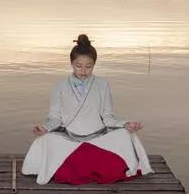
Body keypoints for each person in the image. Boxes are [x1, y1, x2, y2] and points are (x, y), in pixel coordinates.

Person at [21, 34, 154, 184]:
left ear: (94, 64)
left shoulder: (102, 84)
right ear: (71, 63)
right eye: (78, 66)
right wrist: (45, 127)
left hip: (99, 138)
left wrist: (126, 124)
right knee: (45, 139)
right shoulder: (60, 86)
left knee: (126, 135)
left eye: (89, 66)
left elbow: (108, 117)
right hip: (70, 139)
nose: (83, 71)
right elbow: (55, 118)